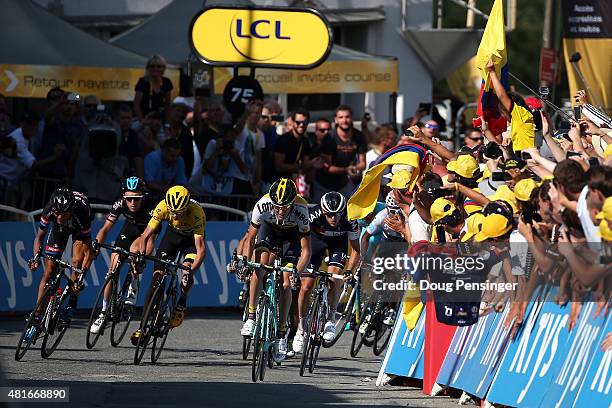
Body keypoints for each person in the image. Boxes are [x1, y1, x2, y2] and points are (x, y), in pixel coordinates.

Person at [237, 178, 311, 362]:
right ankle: (252, 316)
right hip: (268, 230)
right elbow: (250, 239)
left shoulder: (302, 211)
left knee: (286, 283)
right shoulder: (262, 205)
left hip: (291, 237)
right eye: (276, 206)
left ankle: (280, 335)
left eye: (284, 207)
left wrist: (297, 271)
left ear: (293, 202)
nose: (279, 211)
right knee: (259, 268)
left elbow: (306, 250)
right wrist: (247, 262)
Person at [131, 186, 206, 343]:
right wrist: (141, 256)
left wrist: (190, 271)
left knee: (186, 272)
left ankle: (181, 303)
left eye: (179, 212)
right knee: (156, 278)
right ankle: (142, 327)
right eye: (172, 211)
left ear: (186, 207)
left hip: (190, 241)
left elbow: (201, 250)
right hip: (172, 237)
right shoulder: (162, 206)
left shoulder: (196, 213)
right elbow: (145, 236)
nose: (175, 214)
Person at [293, 192, 360, 351]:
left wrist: (350, 270)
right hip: (315, 242)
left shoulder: (350, 219)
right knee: (306, 286)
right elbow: (299, 241)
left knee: (334, 279)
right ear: (323, 211)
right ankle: (300, 328)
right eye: (329, 214)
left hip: (338, 244)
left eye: (337, 214)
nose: (334, 218)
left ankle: (330, 320)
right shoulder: (313, 215)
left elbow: (356, 250)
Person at [90, 177, 157, 334]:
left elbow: (151, 240)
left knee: (135, 252)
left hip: (146, 233)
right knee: (112, 269)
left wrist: (143, 257)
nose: (132, 203)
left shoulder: (152, 206)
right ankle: (104, 312)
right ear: (124, 197)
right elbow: (105, 229)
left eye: (136, 199)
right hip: (131, 228)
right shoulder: (120, 203)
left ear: (143, 196)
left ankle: (132, 290)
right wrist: (96, 244)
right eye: (129, 199)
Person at [27, 188, 95, 338]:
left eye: (64, 213)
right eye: (57, 213)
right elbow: (39, 237)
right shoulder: (51, 210)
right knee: (49, 271)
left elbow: (89, 253)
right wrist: (36, 258)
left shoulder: (81, 213)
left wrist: (81, 277)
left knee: (77, 261)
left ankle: (71, 301)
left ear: (71, 210)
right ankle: (36, 318)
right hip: (60, 230)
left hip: (78, 227)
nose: (59, 216)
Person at [315, 105, 367, 202]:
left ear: (352, 118)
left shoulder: (359, 136)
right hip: (324, 184)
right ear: (336, 120)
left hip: (344, 183)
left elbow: (363, 163)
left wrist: (354, 168)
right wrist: (346, 169)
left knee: (347, 214)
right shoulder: (329, 137)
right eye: (341, 117)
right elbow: (327, 168)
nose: (344, 120)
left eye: (347, 117)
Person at [274, 108, 323, 181]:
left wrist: (313, 163)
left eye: (305, 122)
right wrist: (301, 166)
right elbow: (278, 167)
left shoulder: (305, 141)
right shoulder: (283, 140)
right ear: (293, 122)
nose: (301, 125)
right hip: (280, 182)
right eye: (298, 122)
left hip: (296, 182)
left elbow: (305, 163)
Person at [133, 55, 173, 122]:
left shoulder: (166, 82)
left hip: (159, 120)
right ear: (148, 68)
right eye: (152, 66)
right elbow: (136, 106)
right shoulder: (143, 82)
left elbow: (167, 105)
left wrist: (167, 123)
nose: (155, 68)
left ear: (163, 68)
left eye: (159, 66)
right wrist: (143, 122)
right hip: (143, 118)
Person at [117, 105, 144, 178]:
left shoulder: (133, 134)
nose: (126, 121)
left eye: (128, 118)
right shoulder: (114, 134)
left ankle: (140, 185)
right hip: (116, 167)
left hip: (130, 169)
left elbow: (137, 155)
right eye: (123, 118)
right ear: (117, 119)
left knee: (139, 160)